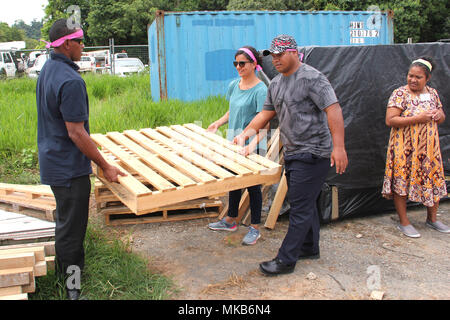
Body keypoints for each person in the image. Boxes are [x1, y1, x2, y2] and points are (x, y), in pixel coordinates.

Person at [233, 35, 348, 276]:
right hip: (294, 151)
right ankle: (309, 247)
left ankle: (286, 260)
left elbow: (333, 109)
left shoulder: (313, 79)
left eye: (280, 54)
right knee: (307, 204)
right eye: (272, 56)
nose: (275, 60)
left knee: (300, 206)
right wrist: (244, 135)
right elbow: (264, 115)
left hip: (314, 151)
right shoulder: (275, 84)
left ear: (294, 53)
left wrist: (339, 147)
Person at [36, 19, 125, 299]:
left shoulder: (48, 70)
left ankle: (66, 274)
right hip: (68, 169)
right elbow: (76, 133)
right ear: (66, 44)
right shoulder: (71, 80)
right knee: (72, 232)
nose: (83, 46)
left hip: (53, 161)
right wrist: (105, 165)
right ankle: (73, 288)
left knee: (65, 224)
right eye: (80, 41)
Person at [207, 46, 268, 245]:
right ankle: (231, 220)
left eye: (242, 63)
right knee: (234, 180)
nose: (239, 67)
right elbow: (231, 111)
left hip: (252, 145)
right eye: (236, 64)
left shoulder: (261, 90)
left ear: (253, 64)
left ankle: (255, 228)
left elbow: (264, 122)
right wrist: (217, 123)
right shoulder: (234, 85)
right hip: (234, 142)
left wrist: (252, 146)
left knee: (253, 186)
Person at [382, 57, 448, 238]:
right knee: (401, 182)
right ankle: (404, 222)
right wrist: (418, 118)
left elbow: (441, 115)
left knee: (432, 179)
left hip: (429, 150)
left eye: (418, 77)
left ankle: (432, 219)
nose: (412, 80)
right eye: (410, 75)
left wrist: (438, 114)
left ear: (427, 78)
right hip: (404, 149)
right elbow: (390, 120)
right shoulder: (400, 94)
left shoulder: (432, 93)